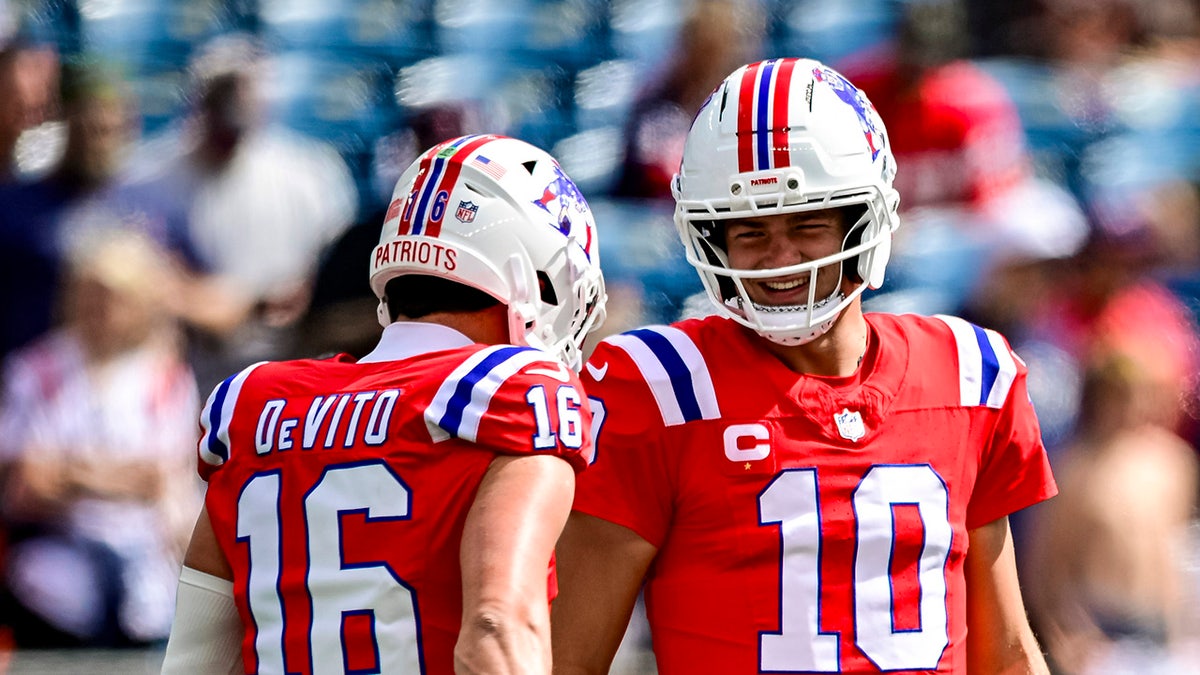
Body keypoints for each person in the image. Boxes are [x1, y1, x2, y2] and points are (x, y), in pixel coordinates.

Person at [552, 58, 1056, 674]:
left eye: (809, 224)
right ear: (711, 240)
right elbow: (568, 660)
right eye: (750, 233)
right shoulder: (659, 389)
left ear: (863, 221)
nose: (780, 257)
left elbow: (1005, 654)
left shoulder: (968, 373)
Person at [160, 134, 607, 674]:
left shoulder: (253, 403)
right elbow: (496, 629)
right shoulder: (512, 391)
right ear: (534, 282)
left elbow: (194, 658)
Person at [0, 228, 202, 648]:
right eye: (90, 293)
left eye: (117, 296)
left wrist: (72, 472)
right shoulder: (35, 370)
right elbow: (27, 486)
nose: (101, 308)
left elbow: (160, 480)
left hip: (147, 579)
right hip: (55, 577)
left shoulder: (166, 378)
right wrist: (121, 478)